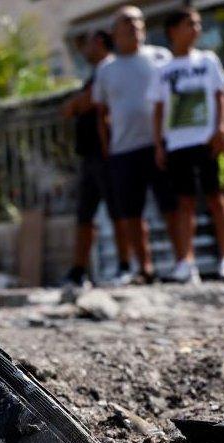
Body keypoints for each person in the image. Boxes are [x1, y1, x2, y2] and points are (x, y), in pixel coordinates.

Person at [149, 7, 224, 282]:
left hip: (207, 140)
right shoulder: (162, 70)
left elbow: (220, 95)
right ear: (173, 30)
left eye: (199, 24)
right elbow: (158, 109)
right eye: (190, 23)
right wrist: (158, 144)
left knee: (216, 197)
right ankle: (186, 262)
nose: (197, 29)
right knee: (183, 203)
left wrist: (220, 127)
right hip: (177, 144)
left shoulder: (208, 61)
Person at [92, 5, 182, 284]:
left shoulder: (161, 57)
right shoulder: (106, 69)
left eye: (138, 21)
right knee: (132, 213)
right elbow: (101, 113)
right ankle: (144, 268)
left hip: (160, 145)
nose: (134, 26)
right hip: (124, 150)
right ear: (115, 31)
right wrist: (107, 147)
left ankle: (183, 263)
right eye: (127, 22)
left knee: (172, 206)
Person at [62, 30, 134, 287]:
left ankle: (126, 265)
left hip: (109, 154)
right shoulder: (95, 75)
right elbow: (71, 108)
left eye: (88, 43)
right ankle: (78, 271)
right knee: (85, 215)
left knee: (119, 212)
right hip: (90, 156)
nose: (84, 50)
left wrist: (82, 103)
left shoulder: (111, 70)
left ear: (100, 43)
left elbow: (89, 103)